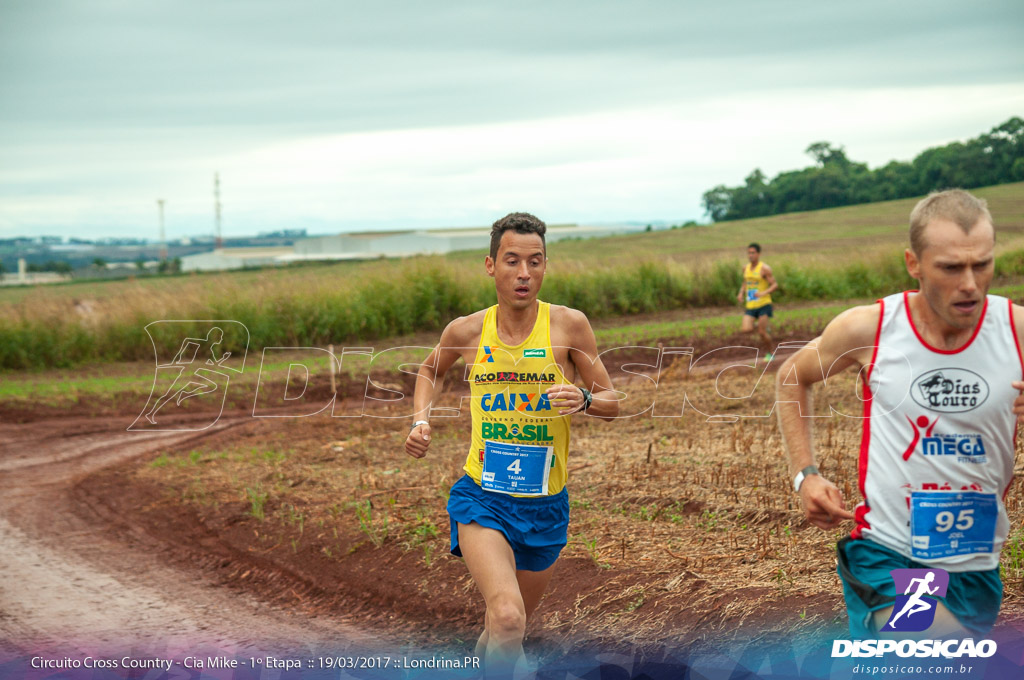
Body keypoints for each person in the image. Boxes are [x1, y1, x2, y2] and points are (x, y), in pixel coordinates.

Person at [775, 188, 1024, 638]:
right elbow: (792, 376)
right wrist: (805, 474)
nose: (970, 282)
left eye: (982, 264)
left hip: (975, 564)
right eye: (951, 267)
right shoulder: (871, 328)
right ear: (914, 264)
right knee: (923, 649)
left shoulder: (1016, 330)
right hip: (887, 553)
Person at [404, 212, 619, 677]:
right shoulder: (465, 332)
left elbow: (612, 401)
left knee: (505, 630)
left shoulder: (568, 326)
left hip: (545, 506)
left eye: (535, 262)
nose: (524, 273)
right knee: (506, 618)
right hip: (484, 498)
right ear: (490, 265)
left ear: (545, 266)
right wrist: (421, 420)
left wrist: (582, 398)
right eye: (512, 261)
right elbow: (428, 371)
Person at [737, 243, 778, 362]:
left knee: (761, 333)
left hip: (764, 304)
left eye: (753, 253)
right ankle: (762, 326)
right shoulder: (746, 268)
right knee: (746, 329)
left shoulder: (765, 269)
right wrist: (740, 293)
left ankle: (771, 353)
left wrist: (763, 293)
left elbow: (775, 285)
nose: (750, 255)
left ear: (758, 254)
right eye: (749, 253)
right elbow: (745, 282)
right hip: (750, 305)